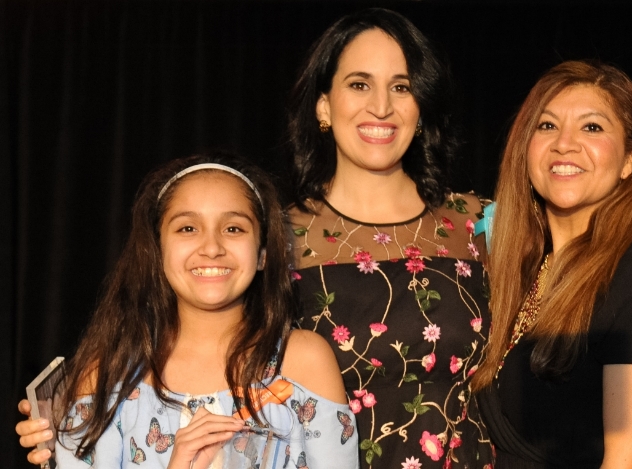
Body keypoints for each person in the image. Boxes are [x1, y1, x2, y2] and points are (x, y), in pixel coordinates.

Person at [15, 152, 359, 468]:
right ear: (157, 249)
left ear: (263, 253)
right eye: (188, 228)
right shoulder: (106, 374)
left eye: (234, 228)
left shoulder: (303, 362)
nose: (211, 247)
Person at [472, 61, 632, 468]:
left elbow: (631, 463)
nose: (564, 144)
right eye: (546, 126)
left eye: (592, 127)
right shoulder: (525, 270)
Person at [285, 8, 492, 469]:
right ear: (323, 105)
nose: (381, 106)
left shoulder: (478, 223)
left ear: (422, 108)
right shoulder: (279, 238)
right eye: (359, 84)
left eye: (402, 87)